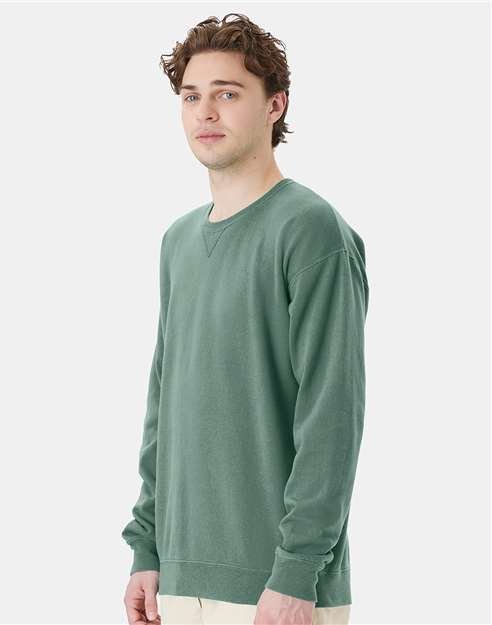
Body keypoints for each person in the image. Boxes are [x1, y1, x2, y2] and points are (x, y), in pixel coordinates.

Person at [122, 13, 369, 625]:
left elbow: (332, 414)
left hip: (276, 590)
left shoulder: (311, 230)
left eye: (228, 94)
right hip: (178, 581)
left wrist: (297, 572)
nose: (206, 112)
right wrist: (146, 548)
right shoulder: (177, 242)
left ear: (274, 105)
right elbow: (163, 405)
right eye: (191, 97)